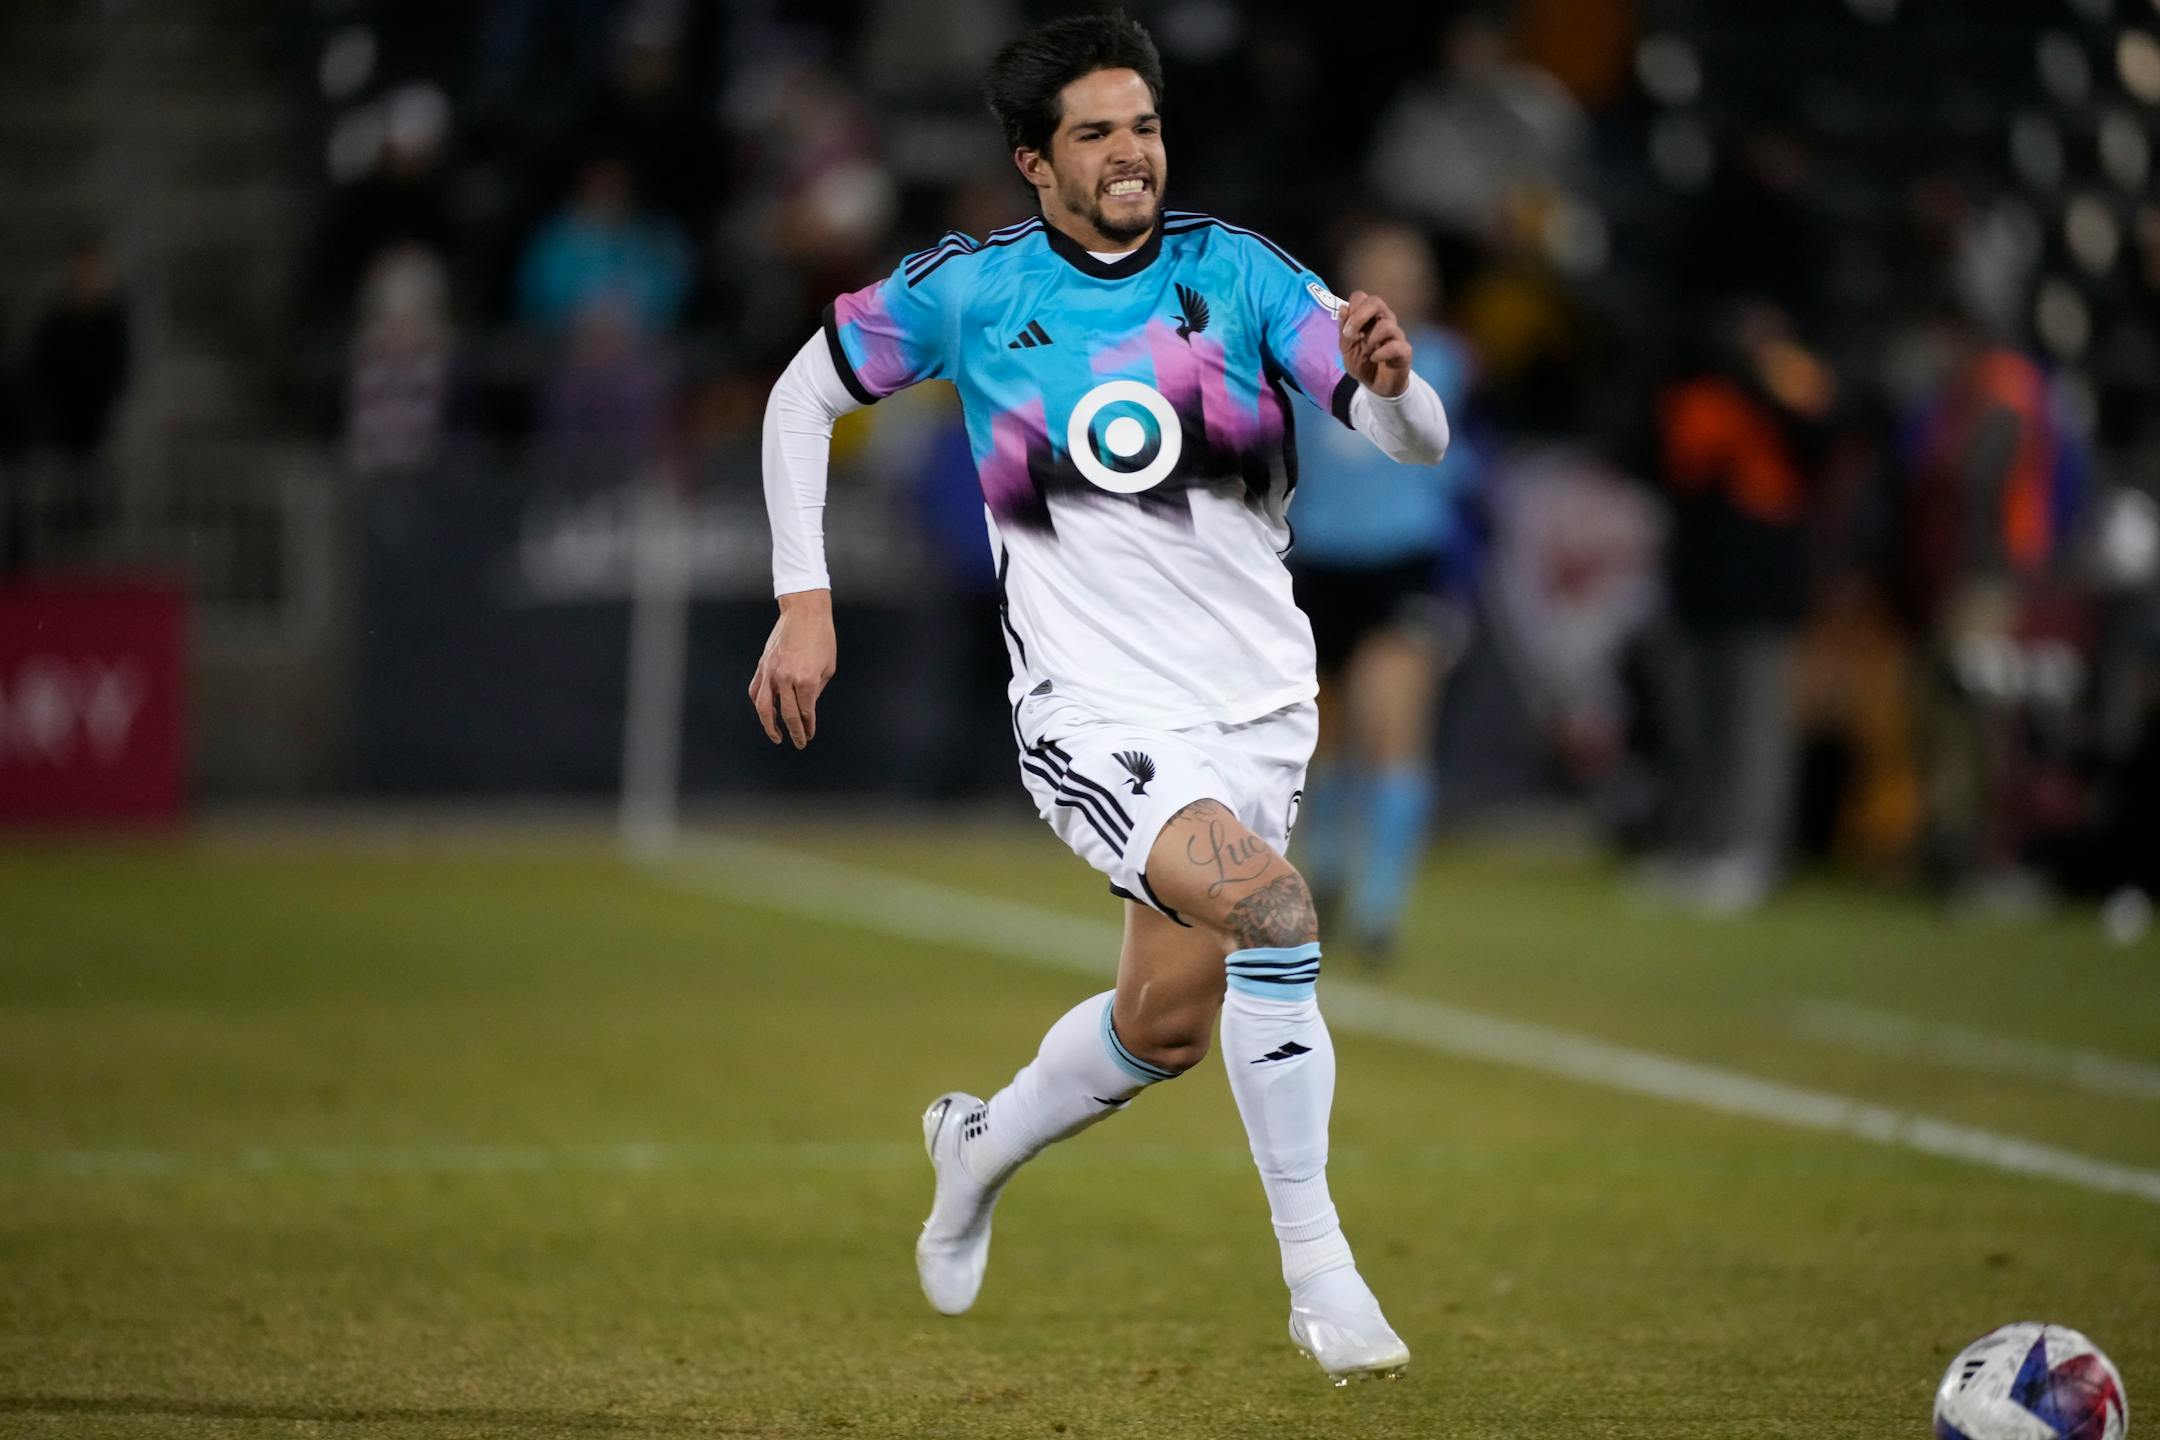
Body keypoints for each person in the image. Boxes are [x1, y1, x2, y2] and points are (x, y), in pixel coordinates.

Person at [749, 11, 1449, 1383]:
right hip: (1096, 711)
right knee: (1275, 911)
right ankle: (1323, 1276)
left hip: (1255, 709)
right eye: (1096, 134)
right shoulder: (972, 293)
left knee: (1169, 1025)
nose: (1131, 154)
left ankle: (977, 1148)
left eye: (1143, 125)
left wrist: (1396, 383)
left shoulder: (1239, 273)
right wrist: (803, 597)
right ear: (1034, 162)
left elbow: (1406, 439)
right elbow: (796, 397)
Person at [1288, 219, 1478, 962]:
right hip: (1316, 562)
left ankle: (1380, 906)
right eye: (1377, 270)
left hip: (1400, 562)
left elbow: (1430, 441)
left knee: (1390, 719)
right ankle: (1329, 867)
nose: (1393, 284)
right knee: (1323, 734)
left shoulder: (1442, 362)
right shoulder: (1304, 357)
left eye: (1406, 271)